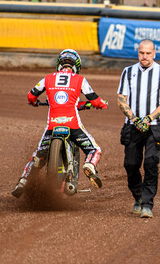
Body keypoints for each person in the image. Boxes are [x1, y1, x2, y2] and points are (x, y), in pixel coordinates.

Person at [11, 49, 108, 199]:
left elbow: (31, 96)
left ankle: (23, 181)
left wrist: (34, 102)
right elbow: (94, 99)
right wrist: (101, 104)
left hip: (52, 126)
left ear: (59, 64)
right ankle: (89, 165)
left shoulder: (47, 79)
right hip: (73, 125)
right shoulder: (80, 79)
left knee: (38, 155)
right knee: (94, 149)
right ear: (76, 66)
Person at [117, 39, 160, 218]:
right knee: (131, 164)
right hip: (132, 125)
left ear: (154, 53)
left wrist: (149, 118)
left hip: (155, 126)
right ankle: (138, 196)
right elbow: (121, 99)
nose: (145, 56)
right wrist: (134, 118)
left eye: (148, 53)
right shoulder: (128, 72)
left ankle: (147, 204)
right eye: (142, 53)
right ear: (138, 53)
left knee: (151, 163)